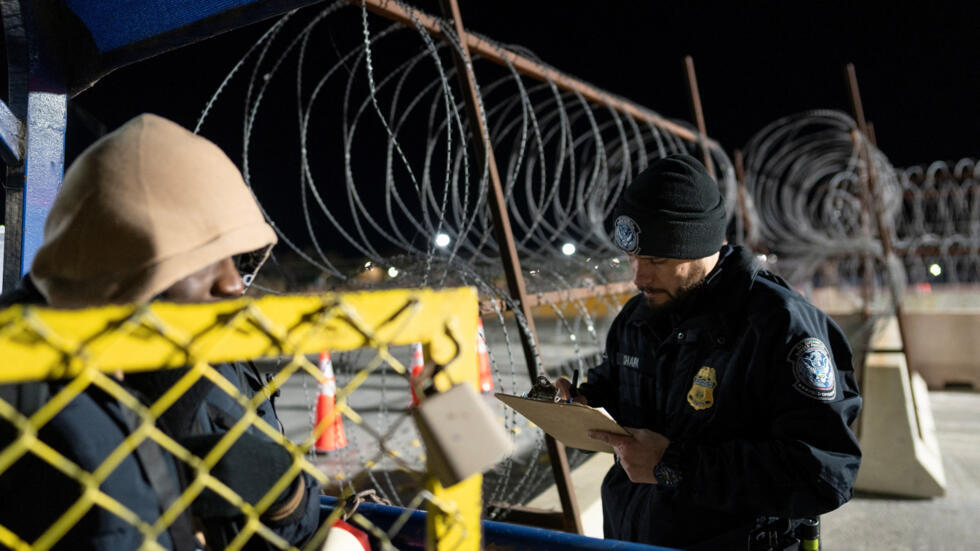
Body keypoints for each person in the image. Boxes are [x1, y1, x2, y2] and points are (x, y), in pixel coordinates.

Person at [0, 114, 319, 549]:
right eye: (206, 255)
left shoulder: (215, 361)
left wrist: (288, 499)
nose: (232, 284)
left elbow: (287, 522)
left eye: (239, 261)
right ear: (122, 259)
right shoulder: (19, 383)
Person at [555, 154, 862, 549]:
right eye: (630, 258)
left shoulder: (779, 325)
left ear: (701, 246)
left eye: (656, 260)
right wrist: (583, 402)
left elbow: (824, 472)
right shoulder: (638, 317)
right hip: (631, 536)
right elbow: (619, 387)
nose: (638, 277)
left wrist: (675, 466)